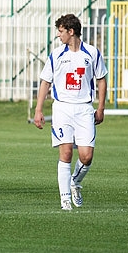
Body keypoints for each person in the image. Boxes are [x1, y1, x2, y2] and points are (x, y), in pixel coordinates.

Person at [33, 14, 107, 211]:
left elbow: (101, 79)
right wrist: (38, 109)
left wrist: (100, 108)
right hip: (62, 108)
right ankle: (65, 199)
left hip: (84, 109)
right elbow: (45, 82)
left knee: (86, 156)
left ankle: (75, 182)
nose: (58, 35)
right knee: (65, 153)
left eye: (61, 31)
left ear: (71, 31)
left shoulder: (92, 53)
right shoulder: (56, 55)